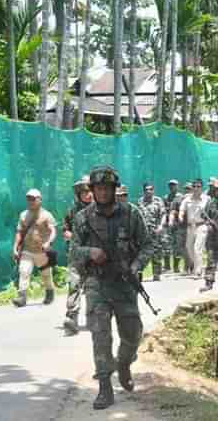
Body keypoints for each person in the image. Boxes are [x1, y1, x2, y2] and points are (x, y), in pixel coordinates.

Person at [69, 165, 152, 410]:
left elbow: (148, 245)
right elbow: (72, 252)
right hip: (97, 285)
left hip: (125, 285)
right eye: (98, 188)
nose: (103, 192)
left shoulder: (131, 214)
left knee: (133, 334)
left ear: (114, 189)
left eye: (107, 188)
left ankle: (124, 363)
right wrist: (90, 252)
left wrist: (136, 266)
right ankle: (105, 387)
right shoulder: (83, 218)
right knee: (100, 336)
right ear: (92, 190)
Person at [11, 189, 57, 308]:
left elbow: (53, 231)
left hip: (42, 251)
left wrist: (49, 242)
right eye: (29, 199)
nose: (31, 201)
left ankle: (49, 292)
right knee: (24, 271)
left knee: (46, 275)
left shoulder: (47, 215)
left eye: (33, 198)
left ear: (40, 200)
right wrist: (15, 247)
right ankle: (22, 297)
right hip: (27, 250)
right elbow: (19, 232)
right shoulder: (23, 215)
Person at [62, 177, 93, 335]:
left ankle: (94, 318)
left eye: (90, 191)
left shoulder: (101, 209)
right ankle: (72, 319)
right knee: (74, 285)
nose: (88, 194)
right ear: (79, 194)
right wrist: (69, 234)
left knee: (93, 288)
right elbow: (65, 229)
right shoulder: (73, 210)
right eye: (84, 192)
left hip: (95, 257)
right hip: (76, 255)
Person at [179, 179, 210, 278]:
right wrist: (180, 216)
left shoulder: (206, 199)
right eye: (194, 186)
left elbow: (211, 212)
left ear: (202, 188)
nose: (196, 188)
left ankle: (198, 271)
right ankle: (198, 264)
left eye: (198, 186)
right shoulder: (187, 199)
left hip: (201, 226)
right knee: (188, 247)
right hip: (190, 227)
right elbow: (182, 210)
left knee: (197, 248)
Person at [137, 184, 166, 282]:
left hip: (155, 230)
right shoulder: (140, 201)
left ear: (153, 190)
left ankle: (156, 274)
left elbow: (163, 214)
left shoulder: (158, 201)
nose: (149, 191)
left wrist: (161, 226)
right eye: (146, 190)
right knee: (142, 253)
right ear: (144, 191)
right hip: (144, 231)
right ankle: (139, 273)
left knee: (157, 252)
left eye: (151, 189)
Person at [163, 180, 182, 272]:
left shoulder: (180, 197)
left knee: (177, 245)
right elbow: (164, 210)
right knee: (166, 244)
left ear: (177, 186)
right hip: (168, 224)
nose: (172, 187)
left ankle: (176, 266)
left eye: (174, 185)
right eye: (170, 185)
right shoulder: (166, 197)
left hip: (178, 224)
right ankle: (167, 266)